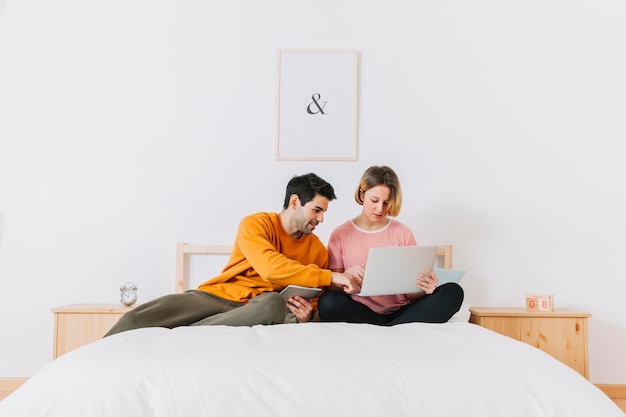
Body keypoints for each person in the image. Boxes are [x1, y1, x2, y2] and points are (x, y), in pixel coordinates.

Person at [105, 173, 361, 336]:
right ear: (295, 202)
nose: (321, 219)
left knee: (274, 302)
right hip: (220, 296)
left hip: (262, 308)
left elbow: (313, 300)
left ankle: (190, 335)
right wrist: (331, 276)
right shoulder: (255, 224)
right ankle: (94, 356)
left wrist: (308, 316)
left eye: (324, 212)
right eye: (317, 210)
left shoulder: (316, 248)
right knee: (139, 316)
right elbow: (271, 267)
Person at [317, 165, 464, 325]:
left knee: (453, 292)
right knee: (328, 301)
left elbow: (410, 295)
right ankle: (395, 327)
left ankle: (389, 326)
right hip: (360, 311)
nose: (380, 209)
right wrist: (346, 276)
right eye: (374, 200)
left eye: (386, 202)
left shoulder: (403, 232)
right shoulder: (341, 234)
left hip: (400, 310)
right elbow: (331, 288)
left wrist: (425, 288)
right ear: (362, 194)